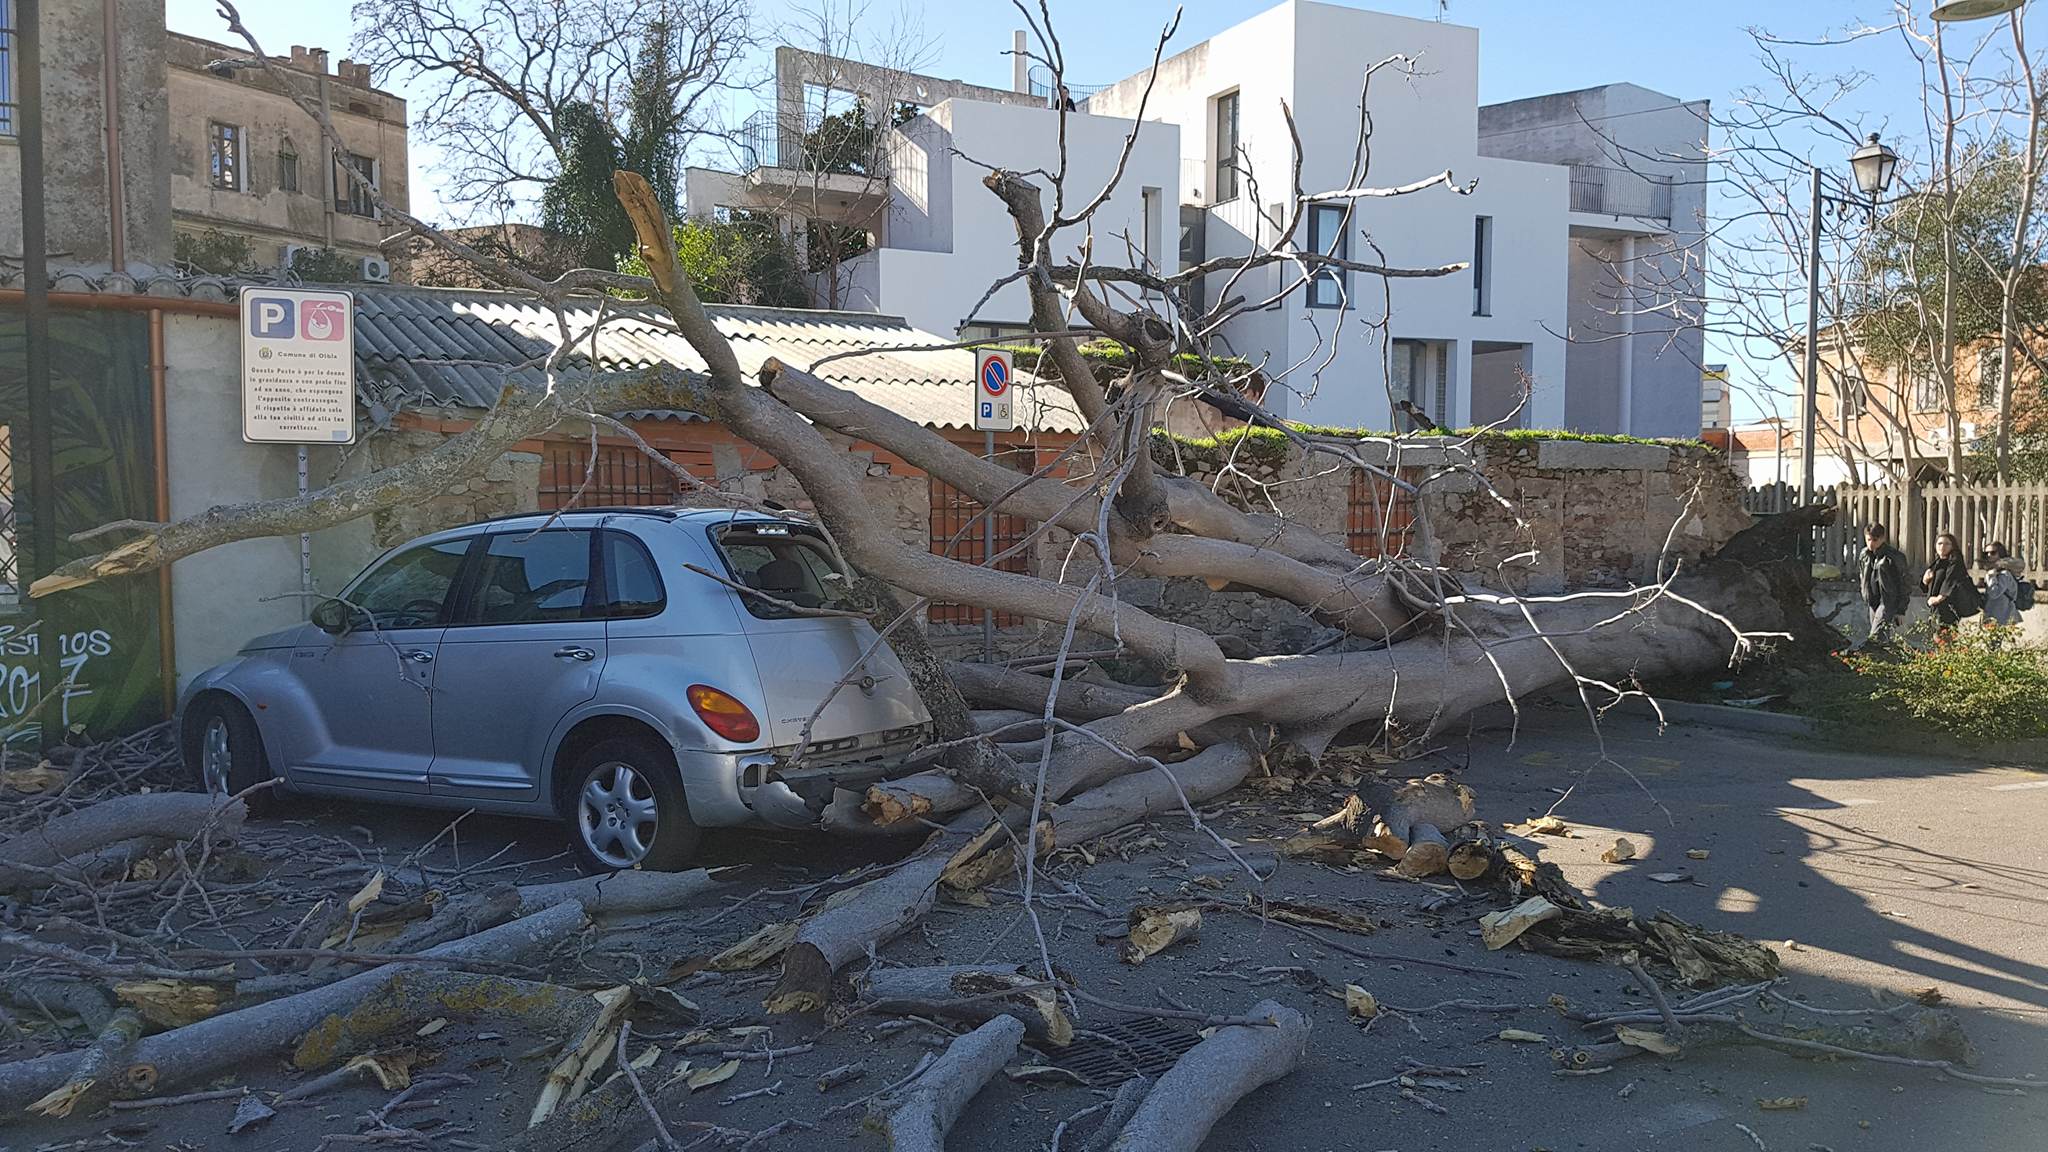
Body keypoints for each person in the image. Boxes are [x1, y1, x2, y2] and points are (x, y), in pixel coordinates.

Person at [1856, 523, 1909, 646]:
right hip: (1872, 601)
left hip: (1888, 602)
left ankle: (1872, 660)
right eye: (1869, 539)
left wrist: (1901, 609)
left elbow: (1904, 583)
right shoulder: (1864, 555)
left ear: (1882, 538)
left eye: (1875, 540)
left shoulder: (1894, 557)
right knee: (1882, 638)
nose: (1871, 543)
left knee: (1875, 637)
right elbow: (1862, 576)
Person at [1923, 531, 1980, 633]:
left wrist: (1939, 598)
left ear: (1953, 546)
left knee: (1945, 634)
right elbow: (1927, 586)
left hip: (1949, 605)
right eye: (1939, 543)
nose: (1942, 546)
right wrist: (1925, 580)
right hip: (1936, 607)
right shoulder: (1937, 562)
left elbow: (1951, 580)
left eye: (1947, 544)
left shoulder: (1955, 559)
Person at [1981, 541, 2022, 634]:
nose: (1989, 555)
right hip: (1993, 616)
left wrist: (1991, 576)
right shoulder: (1994, 571)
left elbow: (1994, 593)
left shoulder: (2004, 574)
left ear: (2000, 554)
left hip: (2004, 617)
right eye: (1986, 553)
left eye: (1993, 553)